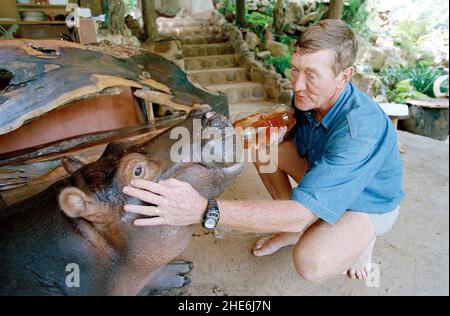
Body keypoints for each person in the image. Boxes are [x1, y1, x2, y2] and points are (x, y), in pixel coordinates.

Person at [122, 19, 404, 282]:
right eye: (295, 69)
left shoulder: (358, 131)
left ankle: (364, 238)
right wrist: (278, 131)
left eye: (312, 75)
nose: (298, 84)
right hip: (328, 175)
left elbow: (301, 211)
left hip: (367, 201)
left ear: (344, 77)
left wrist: (202, 209)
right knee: (263, 147)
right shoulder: (308, 96)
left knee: (311, 262)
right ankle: (294, 226)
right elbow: (290, 137)